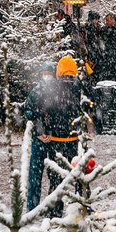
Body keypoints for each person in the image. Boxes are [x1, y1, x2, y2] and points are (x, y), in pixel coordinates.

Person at [27, 56, 88, 209]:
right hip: (73, 139)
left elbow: (37, 111)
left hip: (54, 139)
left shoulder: (51, 89)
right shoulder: (81, 87)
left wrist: (42, 129)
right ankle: (82, 207)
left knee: (55, 177)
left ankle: (54, 210)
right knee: (78, 173)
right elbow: (91, 108)